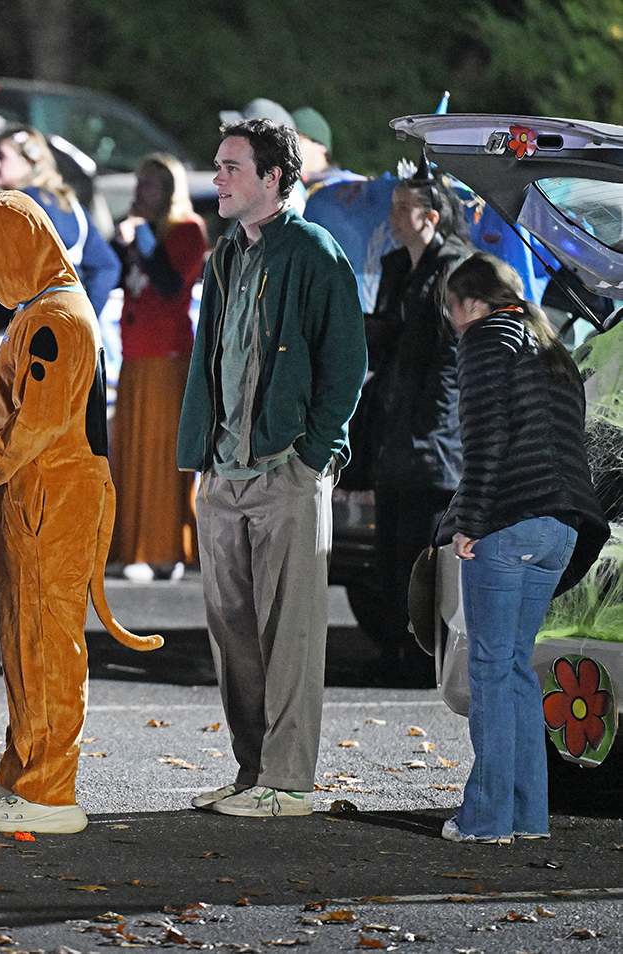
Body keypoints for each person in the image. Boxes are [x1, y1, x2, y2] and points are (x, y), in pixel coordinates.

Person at [0, 176, 161, 835]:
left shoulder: (56, 320)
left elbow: (36, 424)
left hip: (51, 501)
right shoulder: (48, 311)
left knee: (46, 645)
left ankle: (47, 788)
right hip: (39, 499)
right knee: (27, 642)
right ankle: (23, 776)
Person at [177, 118, 366, 818]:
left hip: (286, 471)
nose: (218, 178)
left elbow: (348, 365)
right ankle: (252, 771)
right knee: (233, 636)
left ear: (273, 179)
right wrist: (203, 459)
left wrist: (313, 454)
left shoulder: (314, 252)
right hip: (223, 475)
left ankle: (287, 781)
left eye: (231, 167)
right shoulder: (226, 254)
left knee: (289, 632)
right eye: (218, 166)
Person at [438, 252, 606, 843]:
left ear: (471, 303)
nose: (453, 322)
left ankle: (486, 818)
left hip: (509, 523)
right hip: (563, 529)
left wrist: (469, 523)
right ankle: (529, 816)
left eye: (451, 309)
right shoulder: (551, 346)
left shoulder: (487, 340)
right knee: (515, 669)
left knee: (489, 669)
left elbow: (485, 439)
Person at [363, 160, 474, 686]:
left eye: (403, 208)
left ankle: (420, 660)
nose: (394, 217)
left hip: (434, 437)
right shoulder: (395, 267)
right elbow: (383, 342)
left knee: (421, 556)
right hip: (395, 432)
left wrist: (433, 431)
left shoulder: (453, 270)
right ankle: (395, 651)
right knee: (390, 556)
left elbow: (451, 360)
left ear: (430, 216)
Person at [109, 152, 208, 582]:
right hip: (134, 355)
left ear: (169, 189)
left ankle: (165, 547)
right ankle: (133, 546)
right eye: (139, 181)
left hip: (167, 357)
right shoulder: (138, 232)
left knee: (163, 454)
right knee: (132, 451)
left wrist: (144, 238)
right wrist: (121, 240)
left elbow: (170, 284)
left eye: (149, 183)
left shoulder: (187, 231)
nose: (139, 191)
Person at [0, 125, 120, 319]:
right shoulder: (69, 205)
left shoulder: (17, 206)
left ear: (29, 162)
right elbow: (107, 266)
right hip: (63, 328)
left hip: (23, 330)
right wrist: (84, 318)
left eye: (1, 156)